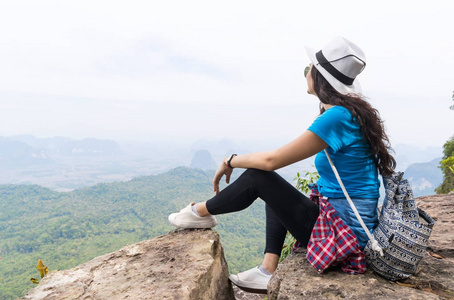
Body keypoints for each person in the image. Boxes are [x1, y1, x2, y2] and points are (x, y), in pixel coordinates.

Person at [168, 36, 395, 293]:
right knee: (274, 187)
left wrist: (230, 160)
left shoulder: (338, 117)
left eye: (308, 69)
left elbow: (272, 160)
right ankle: (268, 269)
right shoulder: (349, 112)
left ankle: (200, 212)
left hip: (344, 236)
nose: (306, 73)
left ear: (319, 77)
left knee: (259, 176)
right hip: (350, 226)